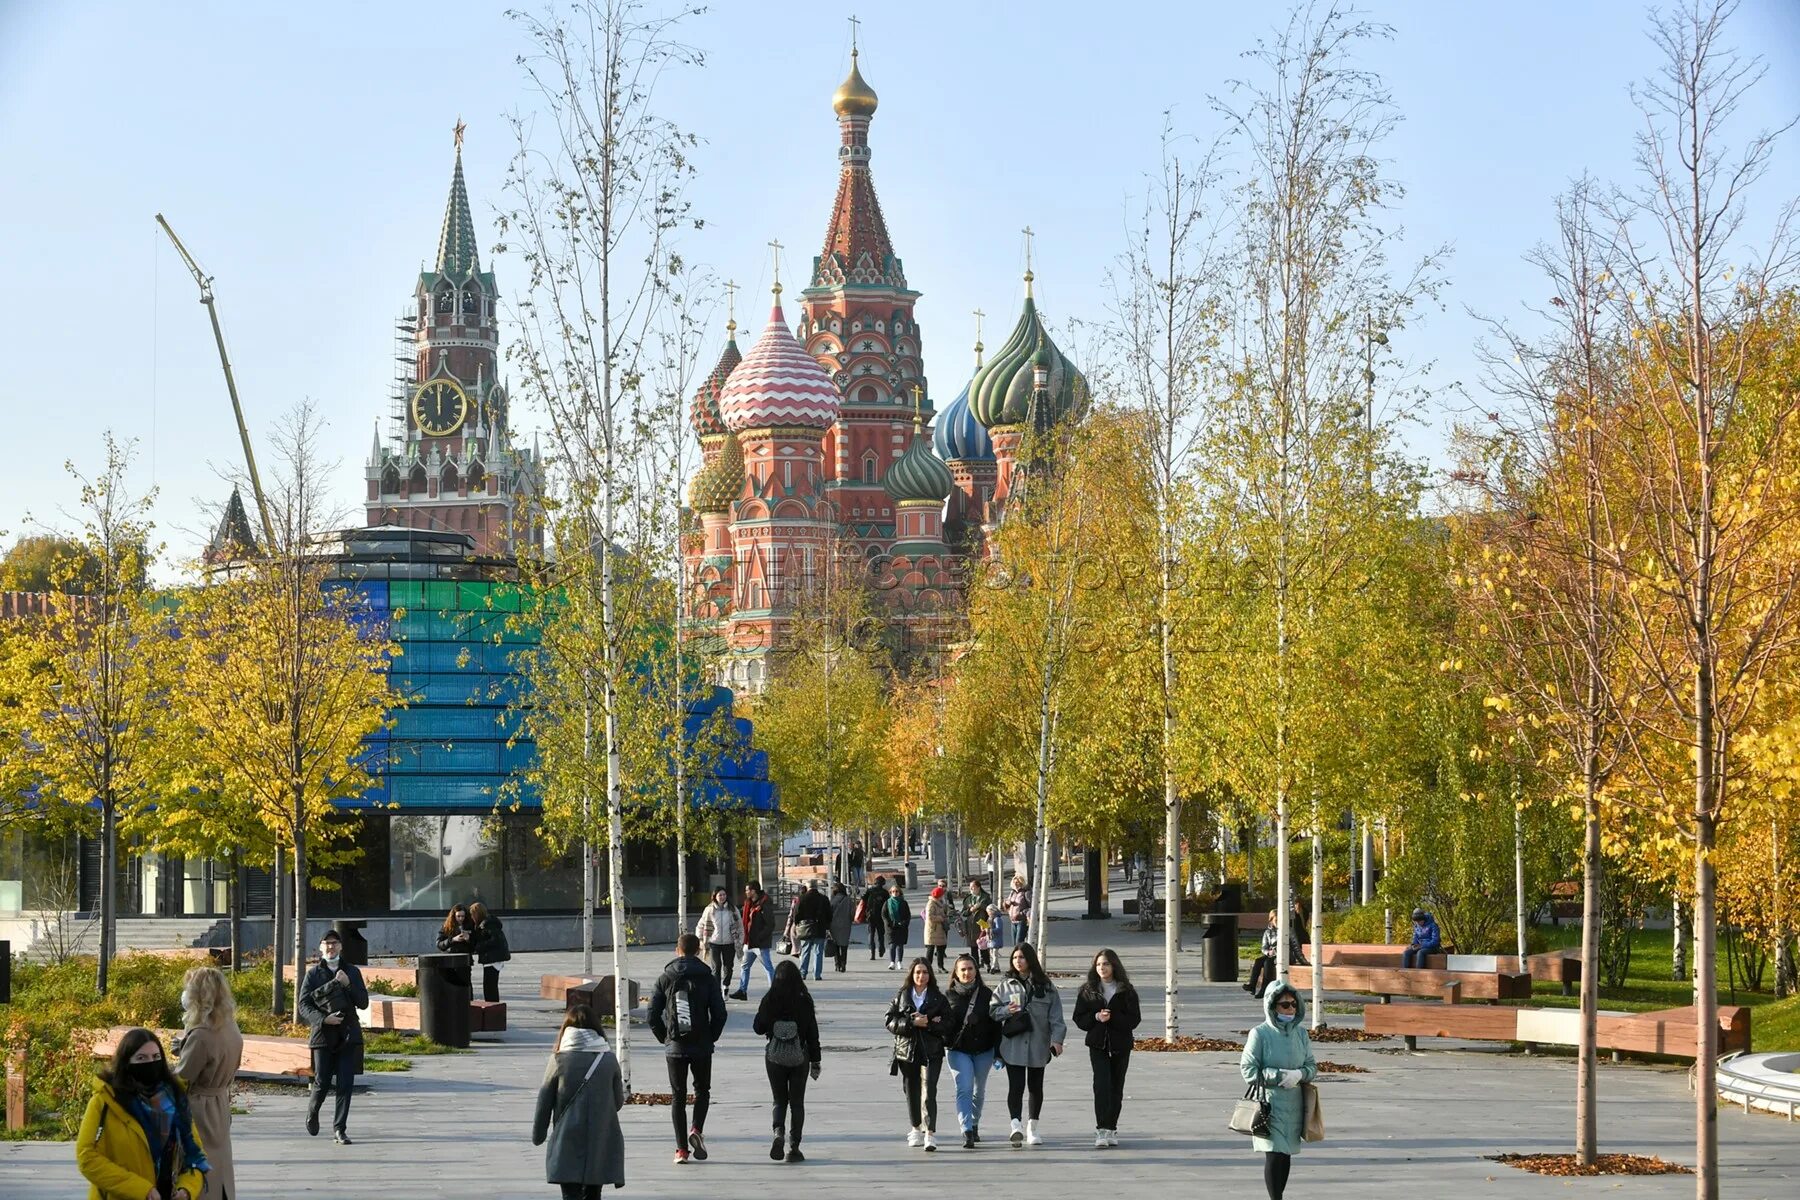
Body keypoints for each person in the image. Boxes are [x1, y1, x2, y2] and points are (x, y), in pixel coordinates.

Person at [77, 1026, 210, 1200]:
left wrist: (187, 1189)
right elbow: (87, 1157)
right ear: (126, 1062)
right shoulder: (106, 1101)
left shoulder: (174, 1100)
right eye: (141, 1058)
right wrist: (141, 1189)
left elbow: (195, 1154)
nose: (150, 1063)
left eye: (156, 1057)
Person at [647, 933, 729, 1164]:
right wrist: (711, 1036)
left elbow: (652, 1014)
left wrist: (665, 1038)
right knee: (702, 1091)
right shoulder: (708, 977)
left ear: (677, 950)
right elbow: (720, 1013)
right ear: (698, 950)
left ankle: (681, 1150)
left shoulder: (665, 977)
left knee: (678, 1096)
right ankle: (696, 1129)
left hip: (676, 1046)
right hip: (702, 1045)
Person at [532, 1006, 626, 1200]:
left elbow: (544, 1101)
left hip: (567, 1137)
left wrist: (538, 1135)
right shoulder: (608, 1059)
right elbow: (617, 1102)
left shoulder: (559, 1059)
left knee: (570, 1194)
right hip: (601, 1138)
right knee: (594, 1193)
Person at [1239, 981, 1318, 1199]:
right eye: (1285, 1005)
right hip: (1270, 1105)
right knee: (1274, 1154)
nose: (1290, 1009)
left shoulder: (1301, 1035)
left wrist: (1300, 1075)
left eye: (1293, 1004)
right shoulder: (1260, 1034)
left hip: (1294, 1104)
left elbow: (1312, 1066)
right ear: (1272, 1006)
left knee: (1286, 1155)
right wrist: (1279, 1075)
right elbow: (1248, 1070)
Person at [174, 966, 242, 1199]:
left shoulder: (201, 1034)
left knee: (199, 1167)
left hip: (199, 1107)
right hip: (220, 1102)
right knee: (220, 1162)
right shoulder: (230, 1026)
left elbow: (183, 1078)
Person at [991, 941, 1065, 1148]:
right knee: (1015, 1086)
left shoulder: (1047, 986)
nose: (1018, 961)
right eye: (1015, 958)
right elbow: (993, 1012)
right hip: (1012, 1044)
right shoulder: (1005, 985)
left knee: (1035, 1086)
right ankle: (1016, 1124)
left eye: (1022, 957)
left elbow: (1056, 1017)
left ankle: (1033, 1126)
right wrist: (1007, 1010)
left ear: (1030, 959)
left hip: (1038, 1044)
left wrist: (1057, 1041)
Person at [298, 928, 368, 1144]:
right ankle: (313, 1111)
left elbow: (363, 1002)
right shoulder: (313, 974)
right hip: (323, 1035)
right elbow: (303, 1004)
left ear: (341, 947)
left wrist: (348, 984)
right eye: (327, 943)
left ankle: (340, 1129)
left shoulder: (352, 972)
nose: (331, 947)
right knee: (322, 1080)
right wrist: (323, 1019)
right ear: (320, 947)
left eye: (335, 943)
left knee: (346, 1082)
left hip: (348, 1033)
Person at [753, 960, 822, 1163]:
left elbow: (757, 1027)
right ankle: (794, 1147)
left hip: (774, 1057)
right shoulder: (804, 1000)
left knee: (779, 1099)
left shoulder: (770, 998)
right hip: (800, 1056)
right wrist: (816, 1061)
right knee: (797, 1102)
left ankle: (778, 1132)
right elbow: (812, 1033)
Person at [1071, 948, 1141, 1149]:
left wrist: (1114, 1017)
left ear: (1114, 966)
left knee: (1116, 1087)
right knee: (1101, 1084)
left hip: (1120, 1044)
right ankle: (1101, 1128)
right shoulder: (1088, 990)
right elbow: (1079, 1018)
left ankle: (1111, 1127)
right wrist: (1096, 1018)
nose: (1102, 968)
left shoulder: (1126, 990)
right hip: (1098, 1043)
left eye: (1106, 964)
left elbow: (1134, 1019)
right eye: (1099, 964)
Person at [885, 957, 949, 1151]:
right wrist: (911, 1023)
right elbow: (889, 1021)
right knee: (911, 1090)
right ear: (912, 975)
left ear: (930, 975)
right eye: (918, 972)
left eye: (925, 972)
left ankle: (930, 1133)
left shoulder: (938, 997)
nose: (921, 976)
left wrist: (929, 1021)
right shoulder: (902, 995)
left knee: (929, 1090)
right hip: (908, 1050)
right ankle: (915, 1128)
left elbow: (949, 1023)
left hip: (932, 1050)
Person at [942, 953, 1000, 1148]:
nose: (967, 973)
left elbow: (996, 1023)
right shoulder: (949, 996)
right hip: (958, 1050)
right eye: (963, 969)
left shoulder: (986, 994)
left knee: (978, 1091)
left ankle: (974, 1124)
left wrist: (998, 1051)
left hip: (984, 1049)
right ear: (956, 973)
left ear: (976, 971)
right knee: (964, 1088)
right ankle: (966, 1129)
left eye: (970, 969)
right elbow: (942, 1023)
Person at [731, 883, 776, 1001]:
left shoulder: (765, 903)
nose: (746, 892)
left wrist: (760, 937)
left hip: (760, 943)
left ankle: (774, 992)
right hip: (749, 941)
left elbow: (770, 924)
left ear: (754, 891)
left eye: (747, 890)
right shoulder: (748, 903)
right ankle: (742, 991)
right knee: (745, 966)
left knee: (768, 967)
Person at [1245, 911, 1304, 998]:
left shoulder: (1288, 930)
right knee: (1258, 961)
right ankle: (1252, 986)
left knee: (1268, 963)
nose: (1278, 922)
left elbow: (1296, 947)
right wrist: (1268, 952)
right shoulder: (1267, 932)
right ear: (1271, 921)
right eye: (1276, 920)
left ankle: (1264, 989)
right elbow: (1264, 947)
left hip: (1286, 956)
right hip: (1272, 955)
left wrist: (1303, 961)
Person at [695, 886, 743, 991]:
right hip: (714, 942)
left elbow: (740, 926)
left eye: (724, 895)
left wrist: (741, 940)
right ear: (715, 896)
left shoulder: (733, 909)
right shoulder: (709, 909)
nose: (722, 897)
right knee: (716, 967)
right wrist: (700, 939)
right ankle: (716, 990)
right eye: (720, 895)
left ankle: (726, 986)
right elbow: (701, 925)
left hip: (729, 942)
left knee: (728, 967)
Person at [469, 900, 511, 1003]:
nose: (471, 917)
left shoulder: (488, 924)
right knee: (490, 986)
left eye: (472, 914)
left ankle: (492, 1009)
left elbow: (494, 940)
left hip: (492, 958)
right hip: (492, 958)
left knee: (489, 987)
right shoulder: (487, 923)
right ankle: (492, 1008)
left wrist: (479, 946)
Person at [794, 879, 833, 981]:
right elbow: (829, 914)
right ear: (817, 887)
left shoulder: (802, 898)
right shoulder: (823, 899)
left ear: (807, 887)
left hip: (805, 928)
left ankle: (803, 973)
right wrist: (827, 926)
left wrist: (797, 925)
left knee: (805, 951)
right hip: (820, 928)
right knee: (818, 952)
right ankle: (817, 974)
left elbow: (797, 914)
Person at [963, 878, 996, 971]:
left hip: (983, 924)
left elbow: (991, 909)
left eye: (973, 887)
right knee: (973, 947)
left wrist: (980, 906)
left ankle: (987, 963)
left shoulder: (985, 897)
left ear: (978, 888)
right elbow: (963, 912)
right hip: (971, 926)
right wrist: (969, 910)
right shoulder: (968, 899)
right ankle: (975, 964)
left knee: (983, 945)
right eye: (970, 888)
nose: (971, 889)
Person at [883, 882, 913, 970]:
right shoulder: (887, 903)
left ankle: (899, 962)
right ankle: (892, 962)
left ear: (899, 892)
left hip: (901, 927)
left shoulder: (904, 903)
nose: (895, 893)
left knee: (900, 945)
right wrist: (889, 923)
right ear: (890, 893)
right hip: (891, 927)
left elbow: (908, 914)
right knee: (892, 945)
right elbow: (884, 914)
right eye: (893, 891)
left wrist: (904, 923)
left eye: (896, 891)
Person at [923, 882, 953, 970]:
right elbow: (930, 917)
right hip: (933, 930)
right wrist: (941, 918)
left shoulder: (940, 902)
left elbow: (944, 911)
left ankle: (941, 966)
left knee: (941, 948)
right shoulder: (931, 904)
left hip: (940, 929)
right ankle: (928, 967)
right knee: (930, 949)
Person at [861, 874, 890, 961]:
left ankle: (872, 952)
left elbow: (863, 899)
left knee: (871, 934)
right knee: (881, 934)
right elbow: (887, 905)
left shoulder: (870, 891)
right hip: (881, 916)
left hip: (870, 916)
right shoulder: (885, 893)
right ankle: (881, 948)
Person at [828, 881, 855, 973]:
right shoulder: (848, 900)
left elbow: (828, 913)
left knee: (835, 945)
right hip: (845, 925)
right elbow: (852, 913)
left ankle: (837, 965)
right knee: (844, 946)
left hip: (833, 925)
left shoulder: (832, 900)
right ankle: (843, 965)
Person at [1004, 875, 1032, 949]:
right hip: (1013, 921)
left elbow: (1031, 907)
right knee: (1014, 943)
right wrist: (1006, 904)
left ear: (1022, 883)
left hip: (1021, 920)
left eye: (1018, 883)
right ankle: (1019, 956)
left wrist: (1022, 913)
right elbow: (1007, 906)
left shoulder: (1026, 892)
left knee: (1019, 942)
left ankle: (1022, 956)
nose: (1016, 884)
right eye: (1014, 882)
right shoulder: (1012, 892)